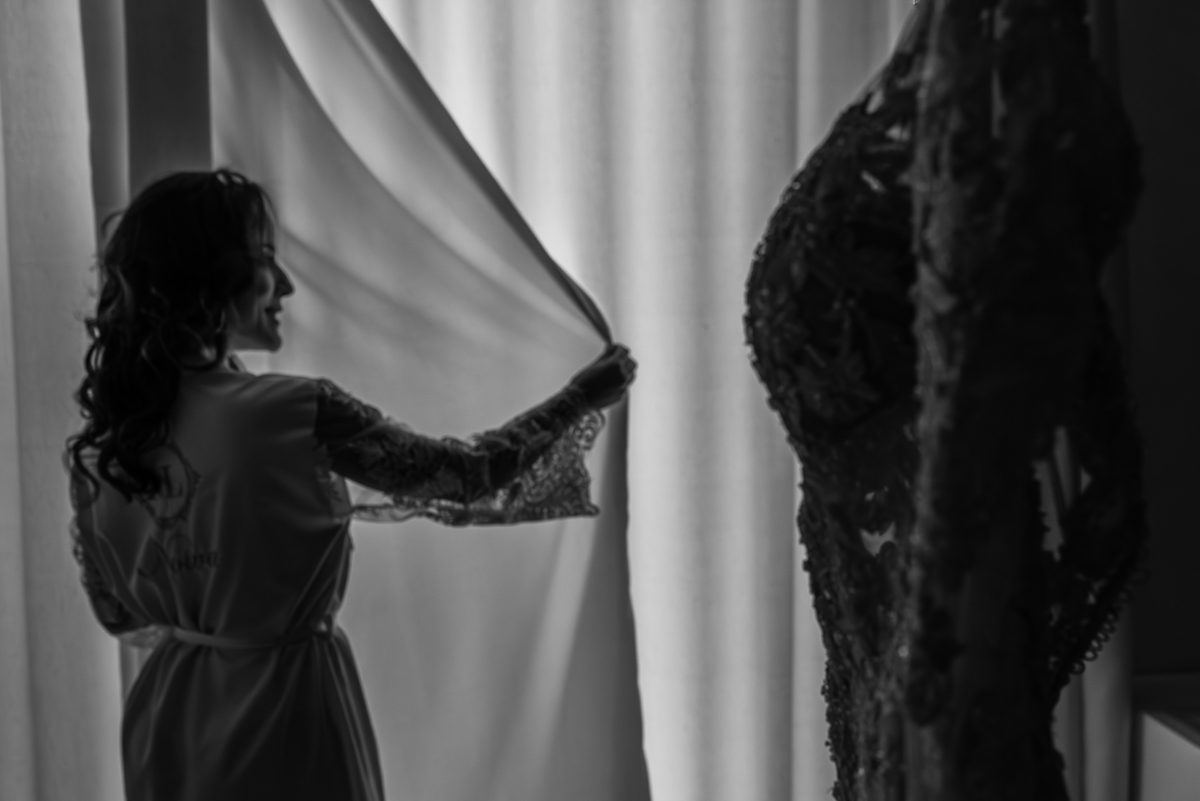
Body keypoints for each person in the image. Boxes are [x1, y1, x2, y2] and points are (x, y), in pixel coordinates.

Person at [66, 168, 636, 801]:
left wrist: (208, 606)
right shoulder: (290, 410)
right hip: (283, 712)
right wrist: (579, 398)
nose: (284, 283)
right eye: (264, 258)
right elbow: (465, 475)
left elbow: (120, 616)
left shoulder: (100, 454)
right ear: (210, 279)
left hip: (168, 720)